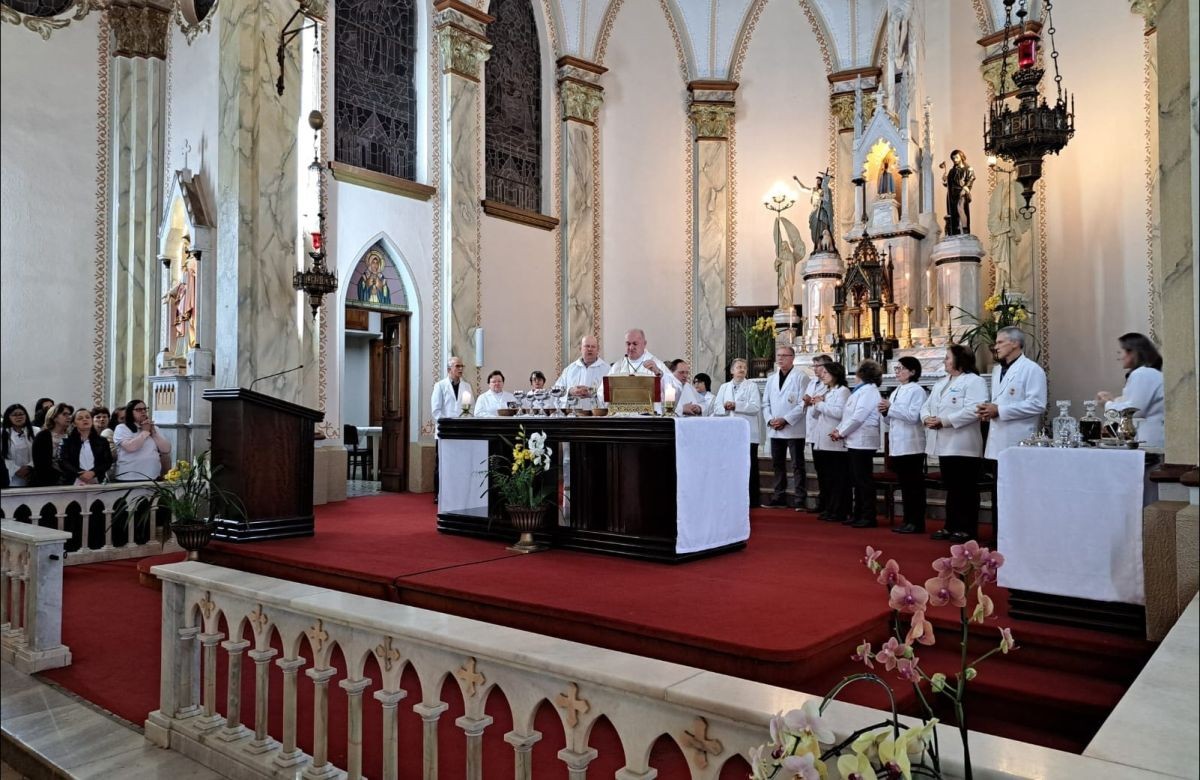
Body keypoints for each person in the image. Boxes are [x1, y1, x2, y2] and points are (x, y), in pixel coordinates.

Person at [922, 345, 989, 541]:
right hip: (944, 444)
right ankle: (950, 525)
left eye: (948, 358)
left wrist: (944, 421)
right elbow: (926, 405)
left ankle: (967, 529)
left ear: (960, 360)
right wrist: (927, 418)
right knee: (952, 488)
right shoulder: (941, 383)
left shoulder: (974, 381)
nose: (944, 361)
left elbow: (974, 409)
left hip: (963, 444)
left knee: (965, 488)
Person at [977, 326, 1047, 466]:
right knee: (998, 486)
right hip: (996, 441)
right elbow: (999, 400)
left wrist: (999, 410)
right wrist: (987, 411)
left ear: (1015, 343)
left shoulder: (1032, 369)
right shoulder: (997, 371)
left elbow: (1037, 404)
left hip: (1018, 440)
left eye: (1000, 342)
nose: (996, 347)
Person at [831, 360, 883, 528]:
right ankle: (858, 512)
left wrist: (841, 432)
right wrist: (838, 430)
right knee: (856, 479)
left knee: (863, 480)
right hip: (854, 440)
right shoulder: (860, 391)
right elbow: (849, 416)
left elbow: (859, 417)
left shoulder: (869, 391)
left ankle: (868, 515)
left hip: (863, 440)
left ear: (862, 373)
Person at [879, 356, 928, 534]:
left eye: (901, 368)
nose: (898, 372)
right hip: (898, 443)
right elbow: (891, 420)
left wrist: (890, 408)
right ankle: (908, 520)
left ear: (913, 371)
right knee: (905, 485)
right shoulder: (897, 390)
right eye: (896, 368)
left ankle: (916, 521)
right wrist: (885, 412)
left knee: (914, 485)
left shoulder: (917, 391)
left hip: (912, 443)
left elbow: (913, 416)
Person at [1097, 332, 1164, 449]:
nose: (1119, 357)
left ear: (1132, 352)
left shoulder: (1143, 374)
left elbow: (1135, 411)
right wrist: (1115, 401)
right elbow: (1137, 401)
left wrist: (1107, 404)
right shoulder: (1149, 373)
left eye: (1120, 352)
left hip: (1148, 441)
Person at [762, 345, 808, 510]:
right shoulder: (771, 379)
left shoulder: (801, 377)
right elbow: (765, 403)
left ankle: (800, 498)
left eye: (784, 355)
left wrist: (785, 420)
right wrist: (770, 420)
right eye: (778, 355)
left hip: (793, 428)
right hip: (775, 428)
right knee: (777, 464)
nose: (780, 358)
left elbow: (803, 403)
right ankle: (778, 496)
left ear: (792, 358)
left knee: (797, 464)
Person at [713, 358, 763, 507]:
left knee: (750, 466)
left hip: (747, 433)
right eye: (738, 367)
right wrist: (725, 407)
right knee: (731, 466)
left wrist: (736, 405)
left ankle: (752, 499)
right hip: (729, 433)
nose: (741, 370)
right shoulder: (724, 387)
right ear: (732, 371)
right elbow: (716, 408)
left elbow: (755, 407)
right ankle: (732, 496)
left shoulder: (751, 386)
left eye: (744, 367)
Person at [811, 362, 851, 522]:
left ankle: (839, 510)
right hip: (822, 439)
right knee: (827, 478)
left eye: (826, 373)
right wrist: (816, 403)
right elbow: (815, 414)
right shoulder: (827, 391)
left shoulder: (843, 391)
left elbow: (840, 413)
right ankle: (829, 507)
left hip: (835, 441)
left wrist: (820, 404)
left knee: (838, 478)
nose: (822, 375)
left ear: (835, 374)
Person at [802, 355, 833, 515]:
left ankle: (829, 502)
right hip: (813, 430)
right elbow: (808, 402)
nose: (814, 369)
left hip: (826, 431)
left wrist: (815, 401)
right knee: (819, 469)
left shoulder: (830, 385)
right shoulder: (812, 382)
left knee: (827, 470)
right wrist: (807, 400)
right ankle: (823, 500)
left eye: (817, 365)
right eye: (813, 366)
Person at [113, 399, 170, 481]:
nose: (143, 411)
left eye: (145, 409)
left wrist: (153, 433)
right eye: (139, 410)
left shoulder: (154, 428)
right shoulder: (122, 428)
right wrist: (145, 432)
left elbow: (166, 449)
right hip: (129, 476)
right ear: (130, 412)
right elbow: (131, 447)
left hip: (152, 476)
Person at [554, 336, 610, 411]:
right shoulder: (570, 369)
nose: (590, 349)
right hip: (574, 417)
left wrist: (593, 393)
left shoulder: (607, 369)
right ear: (580, 349)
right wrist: (570, 391)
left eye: (593, 347)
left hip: (597, 418)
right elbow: (557, 390)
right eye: (587, 346)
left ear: (597, 350)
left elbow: (612, 394)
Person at [60, 409, 113, 485]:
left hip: (97, 480)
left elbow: (107, 461)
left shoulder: (102, 441)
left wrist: (93, 472)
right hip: (73, 481)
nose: (85, 419)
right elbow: (63, 461)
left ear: (92, 421)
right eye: (80, 418)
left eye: (87, 417)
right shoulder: (67, 441)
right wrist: (79, 473)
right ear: (74, 423)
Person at [31, 402, 73, 486]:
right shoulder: (43, 436)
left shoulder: (71, 436)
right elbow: (40, 464)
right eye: (64, 414)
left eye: (69, 414)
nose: (69, 417)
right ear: (54, 417)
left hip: (69, 481)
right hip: (47, 482)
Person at [941, 150, 976, 236]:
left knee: (961, 209)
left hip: (962, 191)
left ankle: (965, 230)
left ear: (961, 156)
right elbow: (948, 184)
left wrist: (966, 188)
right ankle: (955, 231)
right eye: (953, 158)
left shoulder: (968, 168)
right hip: (952, 194)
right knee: (953, 212)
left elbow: (971, 178)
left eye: (956, 157)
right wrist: (945, 179)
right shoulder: (951, 171)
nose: (955, 160)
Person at [2, 403, 38, 487]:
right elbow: (3, 456)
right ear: (8, 417)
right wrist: (16, 470)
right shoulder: (3, 433)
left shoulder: (36, 431)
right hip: (12, 476)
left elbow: (40, 453)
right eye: (14, 415)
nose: (18, 417)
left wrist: (30, 467)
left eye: (21, 414)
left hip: (33, 474)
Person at [431, 357, 467, 436]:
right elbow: (436, 410)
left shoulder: (467, 386)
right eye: (457, 366)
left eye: (462, 366)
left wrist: (465, 422)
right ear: (449, 369)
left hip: (462, 429)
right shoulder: (440, 386)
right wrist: (448, 423)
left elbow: (471, 407)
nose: (461, 368)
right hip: (445, 429)